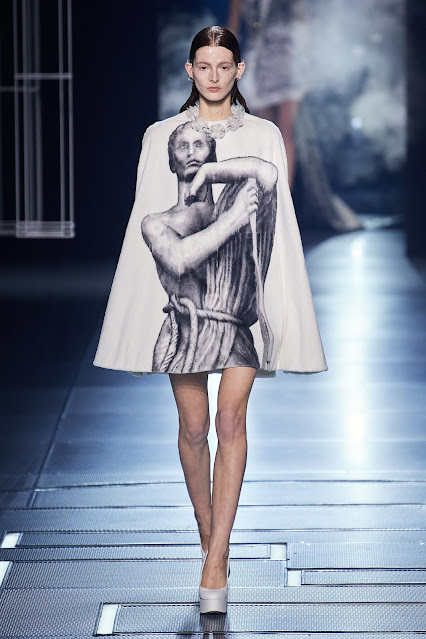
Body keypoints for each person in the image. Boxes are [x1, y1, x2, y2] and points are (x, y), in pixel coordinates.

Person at [93, 26, 327, 614]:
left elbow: (271, 193)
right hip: (185, 324)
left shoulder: (263, 135)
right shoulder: (158, 137)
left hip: (240, 317)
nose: (215, 76)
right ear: (190, 71)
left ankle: (216, 558)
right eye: (205, 66)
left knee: (230, 418)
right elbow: (158, 243)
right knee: (194, 428)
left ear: (239, 71)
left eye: (225, 66)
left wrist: (214, 175)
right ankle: (209, 535)